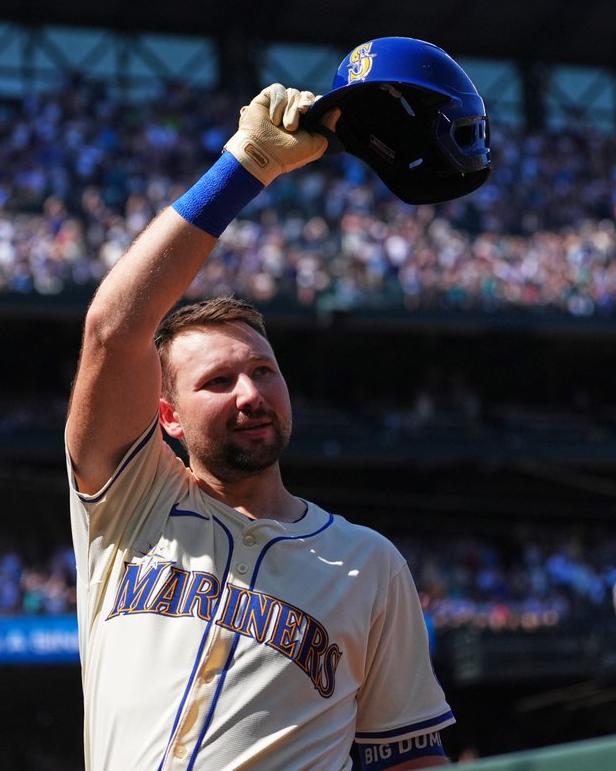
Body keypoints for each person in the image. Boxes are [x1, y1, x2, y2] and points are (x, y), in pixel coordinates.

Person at [65, 83, 454, 770]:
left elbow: (409, 760)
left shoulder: (368, 564)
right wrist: (245, 166)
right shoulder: (129, 506)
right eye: (217, 381)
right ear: (169, 417)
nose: (250, 393)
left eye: (263, 372)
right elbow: (113, 330)